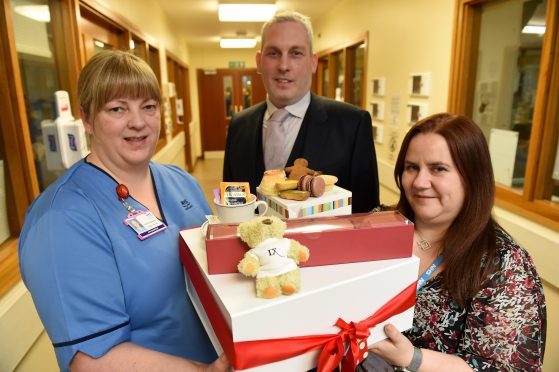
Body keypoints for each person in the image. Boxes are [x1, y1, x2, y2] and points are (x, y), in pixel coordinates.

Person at [18, 50, 228, 371]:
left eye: (148, 106)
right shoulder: (61, 220)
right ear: (86, 119)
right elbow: (92, 361)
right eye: (117, 108)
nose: (138, 122)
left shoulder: (181, 182)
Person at [362, 113, 546, 371]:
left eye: (438, 169)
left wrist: (412, 358)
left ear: (471, 177)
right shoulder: (379, 224)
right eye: (411, 167)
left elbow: (503, 368)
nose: (419, 182)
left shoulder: (503, 263)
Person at [222, 11, 379, 213]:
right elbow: (231, 205)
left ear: (313, 62)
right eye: (273, 53)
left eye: (296, 53)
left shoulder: (352, 124)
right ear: (259, 61)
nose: (284, 66)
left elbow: (367, 215)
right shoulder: (239, 125)